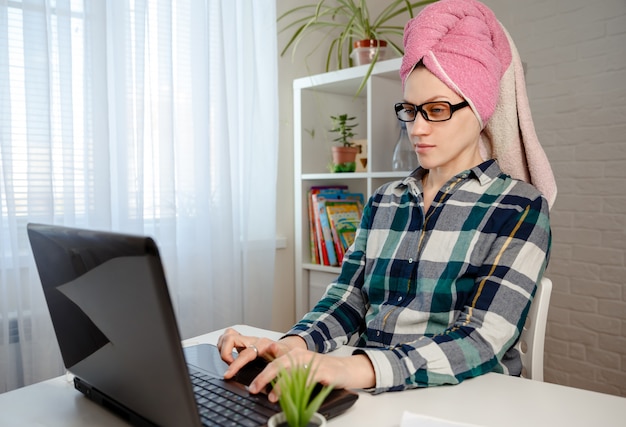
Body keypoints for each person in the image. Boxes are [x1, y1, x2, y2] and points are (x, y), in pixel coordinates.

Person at [217, 0, 556, 400]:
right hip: (374, 389)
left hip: (468, 398)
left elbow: (482, 338)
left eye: (436, 109)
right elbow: (349, 298)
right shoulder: (384, 202)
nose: (418, 128)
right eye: (410, 110)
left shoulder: (519, 207)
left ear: (479, 109)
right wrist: (295, 345)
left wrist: (351, 368)